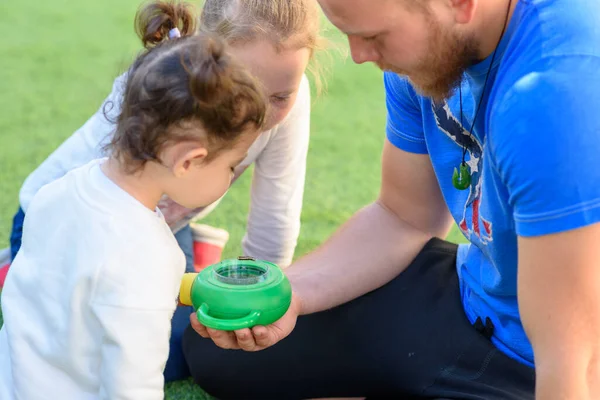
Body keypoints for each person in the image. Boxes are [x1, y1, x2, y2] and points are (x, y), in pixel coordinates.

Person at [181, 0, 600, 399]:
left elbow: (576, 359)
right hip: (474, 297)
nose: (359, 55)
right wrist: (289, 296)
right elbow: (405, 216)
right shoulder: (425, 56)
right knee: (223, 352)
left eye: (375, 36)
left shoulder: (556, 91)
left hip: (546, 355)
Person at [2, 0, 324, 382]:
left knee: (204, 333)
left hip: (159, 224)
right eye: (248, 89)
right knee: (160, 349)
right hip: (62, 229)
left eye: (281, 97)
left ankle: (192, 246)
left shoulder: (287, 96)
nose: (264, 113)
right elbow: (96, 213)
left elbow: (277, 208)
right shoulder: (163, 83)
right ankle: (15, 267)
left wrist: (257, 295)